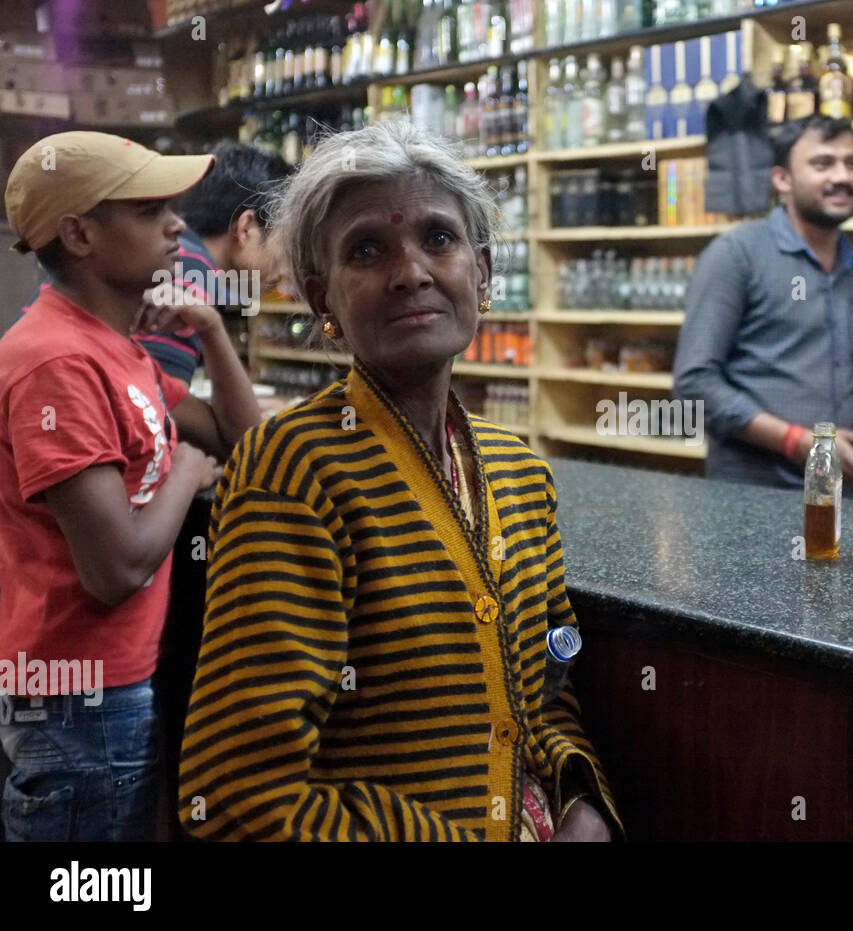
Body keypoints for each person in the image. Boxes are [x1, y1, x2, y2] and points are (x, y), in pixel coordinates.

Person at [177, 120, 620, 842]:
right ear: (322, 301)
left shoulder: (520, 474)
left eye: (438, 239)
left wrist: (578, 801)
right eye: (368, 249)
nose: (411, 270)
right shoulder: (293, 472)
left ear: (482, 272)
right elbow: (238, 797)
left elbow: (546, 691)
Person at [0, 132, 263, 841]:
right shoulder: (55, 362)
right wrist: (182, 472)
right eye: (149, 211)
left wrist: (210, 327)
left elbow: (243, 440)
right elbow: (114, 568)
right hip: (77, 695)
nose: (178, 224)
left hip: (110, 684)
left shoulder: (115, 348)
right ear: (79, 234)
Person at [673, 114, 853, 489]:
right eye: (822, 164)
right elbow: (694, 383)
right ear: (782, 180)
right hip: (752, 496)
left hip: (842, 490)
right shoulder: (736, 255)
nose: (842, 177)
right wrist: (797, 441)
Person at [24, 141, 292, 384]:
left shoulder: (181, 265)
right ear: (245, 228)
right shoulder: (183, 275)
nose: (285, 269)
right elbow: (154, 406)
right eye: (150, 212)